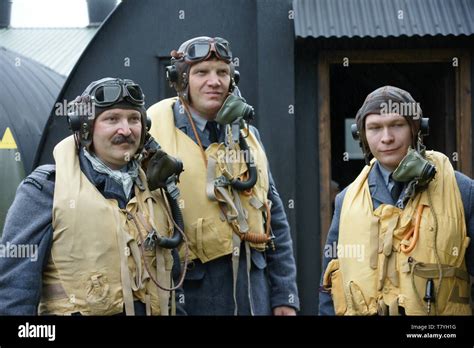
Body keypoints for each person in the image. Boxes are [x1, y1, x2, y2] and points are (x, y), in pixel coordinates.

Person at [0, 77, 184, 315]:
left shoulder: (157, 188)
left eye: (134, 119)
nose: (126, 130)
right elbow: (14, 293)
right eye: (112, 119)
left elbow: (175, 284)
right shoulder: (46, 189)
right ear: (84, 127)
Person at [147, 36, 299, 315]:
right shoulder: (154, 137)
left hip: (254, 293)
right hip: (189, 294)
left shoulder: (248, 137)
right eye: (201, 72)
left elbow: (274, 217)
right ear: (181, 79)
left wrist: (285, 296)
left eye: (222, 73)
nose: (214, 81)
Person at [319, 85, 473, 315]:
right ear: (361, 135)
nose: (386, 138)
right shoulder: (346, 200)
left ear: (416, 129)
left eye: (397, 125)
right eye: (375, 128)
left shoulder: (460, 190)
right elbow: (328, 288)